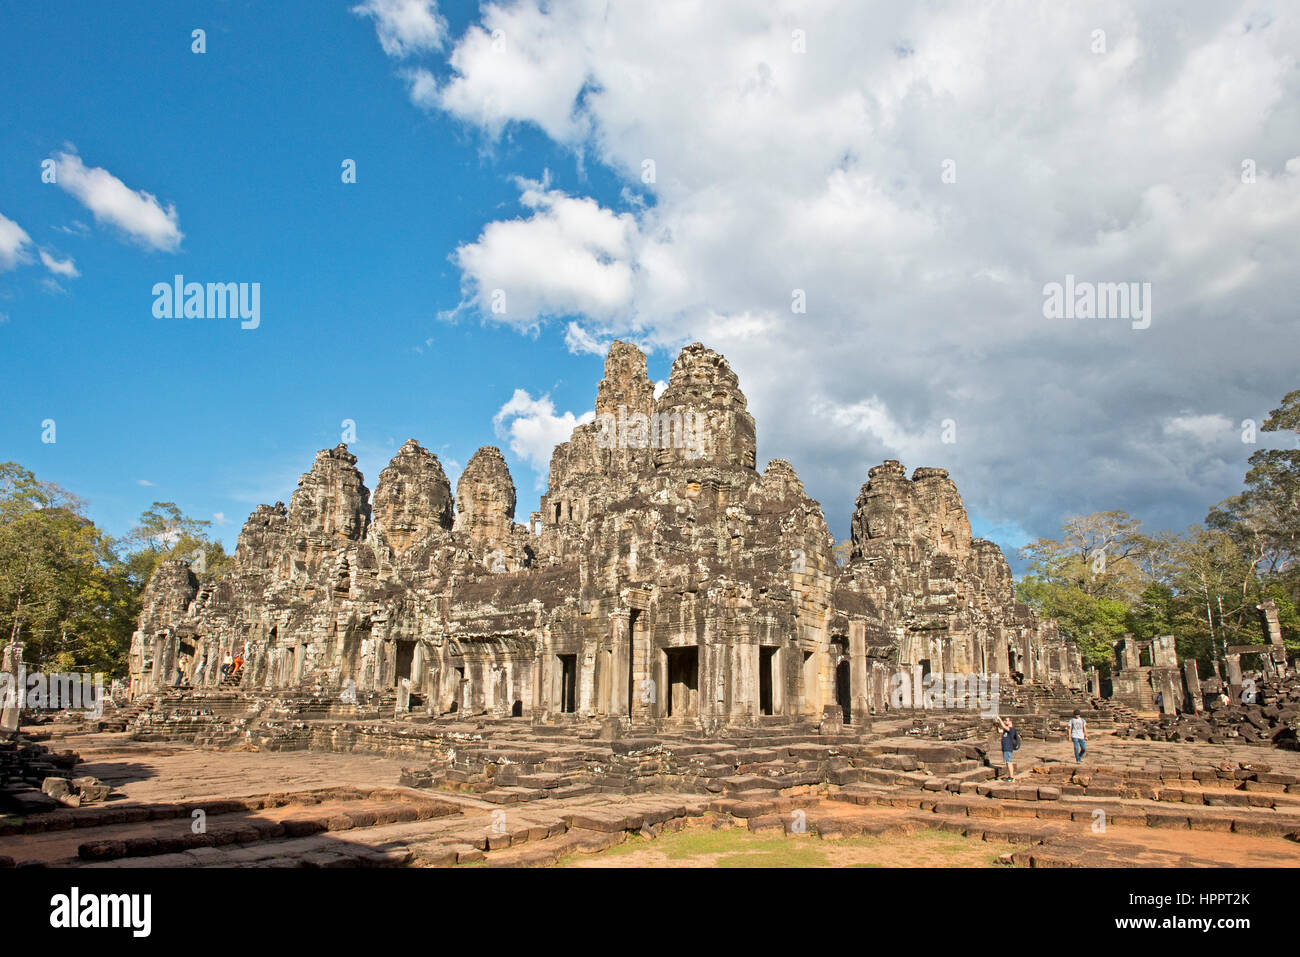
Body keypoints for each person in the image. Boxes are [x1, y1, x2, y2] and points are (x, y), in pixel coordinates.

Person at [997, 716, 1018, 781]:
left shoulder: (1011, 729)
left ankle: (1011, 777)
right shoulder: (1005, 730)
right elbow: (999, 731)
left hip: (1008, 748)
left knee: (1009, 762)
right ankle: (1010, 776)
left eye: (1006, 720)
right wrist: (996, 724)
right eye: (1005, 720)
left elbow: (1003, 726)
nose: (1005, 721)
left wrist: (999, 719)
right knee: (1007, 762)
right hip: (1005, 748)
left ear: (1010, 722)